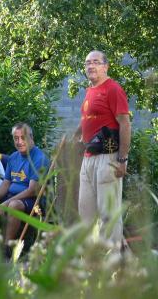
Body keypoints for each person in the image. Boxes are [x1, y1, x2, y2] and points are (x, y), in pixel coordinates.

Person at [74, 50, 131, 248]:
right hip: (88, 158)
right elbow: (89, 118)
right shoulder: (90, 90)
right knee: (86, 215)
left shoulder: (113, 88)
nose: (91, 66)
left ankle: (113, 267)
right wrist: (76, 135)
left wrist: (123, 160)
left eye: (96, 62)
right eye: (87, 62)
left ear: (106, 66)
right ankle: (89, 266)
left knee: (109, 215)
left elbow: (125, 123)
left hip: (108, 158)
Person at [0, 123, 50, 242]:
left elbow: (33, 190)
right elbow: (6, 183)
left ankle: (6, 246)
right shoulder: (14, 157)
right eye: (16, 138)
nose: (19, 142)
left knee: (13, 206)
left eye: (23, 137)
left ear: (31, 138)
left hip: (34, 201)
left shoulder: (39, 158)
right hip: (11, 197)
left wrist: (6, 203)